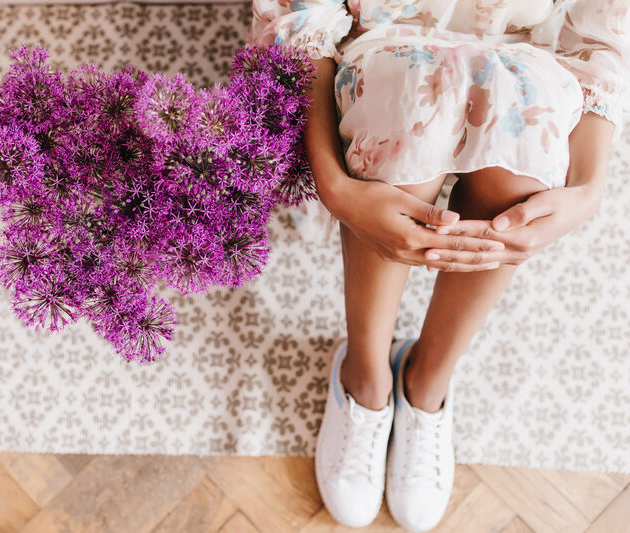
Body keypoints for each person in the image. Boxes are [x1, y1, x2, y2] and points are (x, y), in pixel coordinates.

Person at [247, 0, 628, 530]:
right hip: (380, 45)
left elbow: (601, 39)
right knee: (410, 116)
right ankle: (365, 374)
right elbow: (300, 21)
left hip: (526, 53)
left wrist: (589, 188)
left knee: (518, 142)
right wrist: (335, 186)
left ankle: (427, 382)